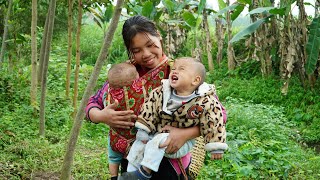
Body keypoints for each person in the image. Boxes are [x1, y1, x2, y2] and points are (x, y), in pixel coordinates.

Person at [85, 15, 202, 180]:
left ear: (159, 36)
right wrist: (102, 116)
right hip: (132, 159)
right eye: (137, 50)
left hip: (169, 162)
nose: (146, 54)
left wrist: (185, 134)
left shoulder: (179, 72)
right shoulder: (125, 73)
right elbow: (93, 103)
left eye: (150, 45)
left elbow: (217, 114)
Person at [118, 57, 228, 180]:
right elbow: (149, 109)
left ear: (195, 80)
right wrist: (144, 129)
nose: (174, 71)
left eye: (181, 69)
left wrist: (216, 146)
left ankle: (144, 172)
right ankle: (131, 173)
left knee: (159, 140)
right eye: (174, 69)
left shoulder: (205, 101)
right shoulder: (161, 92)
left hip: (180, 143)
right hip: (157, 134)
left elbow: (214, 120)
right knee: (139, 144)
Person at [104, 62, 140, 179]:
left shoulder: (108, 95)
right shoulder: (138, 94)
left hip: (116, 137)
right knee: (135, 164)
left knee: (113, 157)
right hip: (134, 140)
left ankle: (114, 176)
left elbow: (103, 104)